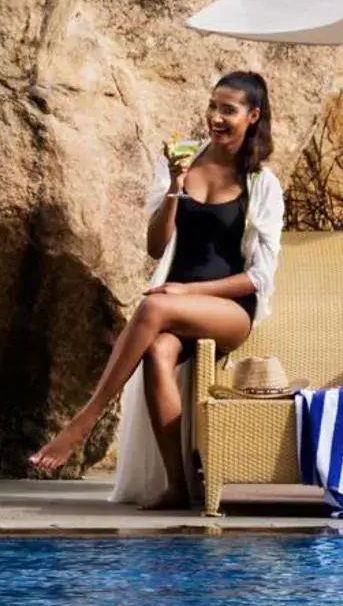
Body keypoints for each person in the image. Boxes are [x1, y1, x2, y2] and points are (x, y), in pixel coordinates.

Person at [29, 72, 285, 508]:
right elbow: (155, 247)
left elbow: (259, 277)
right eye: (213, 106)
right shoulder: (181, 161)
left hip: (230, 309)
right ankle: (179, 485)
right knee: (157, 351)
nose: (216, 117)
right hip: (174, 302)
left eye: (229, 110)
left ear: (253, 116)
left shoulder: (262, 183)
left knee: (152, 309)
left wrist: (187, 293)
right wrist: (174, 186)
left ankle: (82, 424)